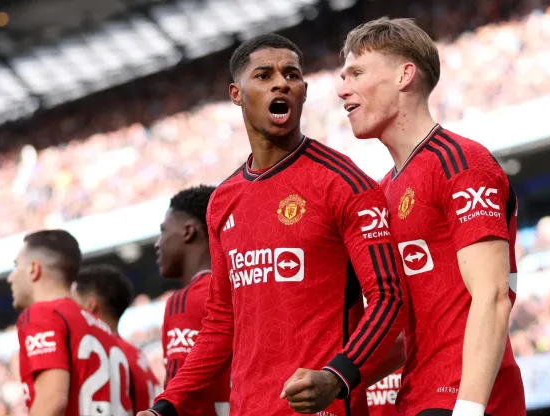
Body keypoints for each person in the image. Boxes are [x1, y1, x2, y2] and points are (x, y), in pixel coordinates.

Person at [138, 33, 406, 416]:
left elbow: (388, 297)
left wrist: (336, 377)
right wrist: (166, 406)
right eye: (264, 75)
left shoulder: (344, 183)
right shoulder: (223, 201)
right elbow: (220, 323)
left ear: (304, 91)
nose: (281, 82)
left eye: (292, 75)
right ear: (236, 93)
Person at [338, 17, 526, 416]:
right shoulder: (381, 191)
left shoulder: (461, 163)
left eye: (356, 73)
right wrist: (333, 378)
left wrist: (469, 410)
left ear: (405, 75)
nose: (342, 89)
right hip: (415, 397)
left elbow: (492, 296)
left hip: (466, 398)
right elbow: (403, 331)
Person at [8, 229, 133, 416]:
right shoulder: (102, 328)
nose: (10, 278)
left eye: (16, 266)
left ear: (34, 269)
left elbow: (52, 400)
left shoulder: (43, 313)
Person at [155, 185, 230, 415]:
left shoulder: (187, 300)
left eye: (163, 231)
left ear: (188, 231)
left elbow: (180, 402)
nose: (157, 243)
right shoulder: (240, 289)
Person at [71, 264, 161, 411]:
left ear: (90, 306)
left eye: (72, 302)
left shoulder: (105, 355)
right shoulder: (133, 352)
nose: (69, 310)